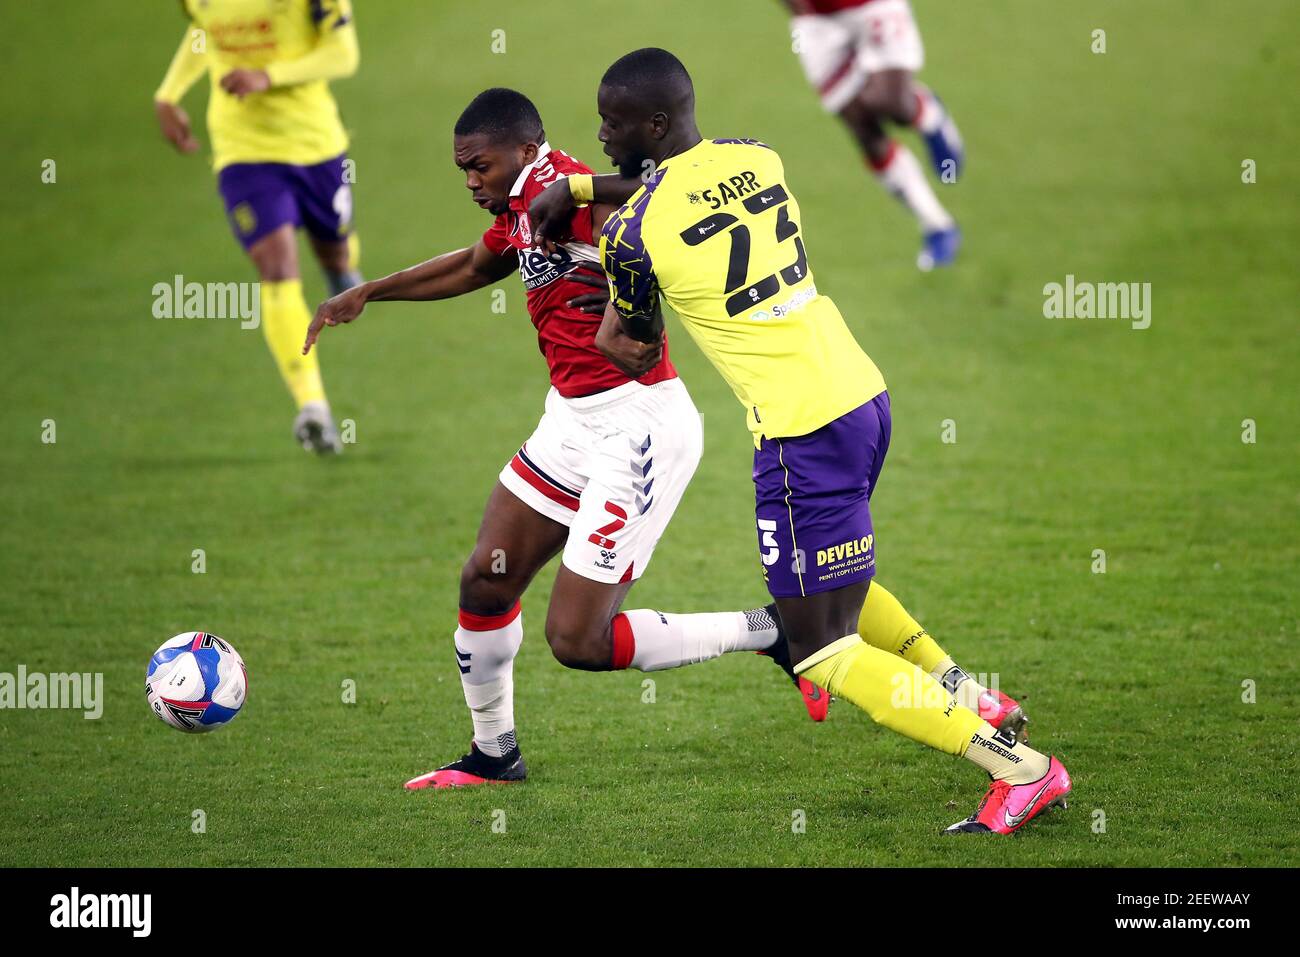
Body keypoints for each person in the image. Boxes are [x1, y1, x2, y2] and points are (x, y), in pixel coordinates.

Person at [528, 49, 1070, 833]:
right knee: (835, 582)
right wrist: (577, 187)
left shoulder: (635, 236)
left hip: (797, 434)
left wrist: (606, 314)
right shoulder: (757, 157)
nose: (601, 137)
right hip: (860, 395)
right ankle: (976, 696)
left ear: (651, 124)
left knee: (821, 649)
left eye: (611, 126)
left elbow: (634, 343)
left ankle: (1016, 766)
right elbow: (674, 192)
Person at [303, 88, 829, 790]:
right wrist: (369, 291)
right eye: (462, 171)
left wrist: (627, 318)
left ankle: (771, 632)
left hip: (638, 426)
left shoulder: (573, 194)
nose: (470, 182)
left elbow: (648, 224)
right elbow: (473, 265)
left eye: (478, 167)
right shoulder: (525, 204)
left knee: (578, 641)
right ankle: (494, 754)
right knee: (484, 582)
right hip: (572, 421)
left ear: (525, 150)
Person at [154, 0, 362, 453]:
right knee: (277, 267)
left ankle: (339, 267)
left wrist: (267, 76)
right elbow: (204, 34)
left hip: (315, 144)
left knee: (337, 257)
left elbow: (343, 54)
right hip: (242, 151)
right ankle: (313, 407)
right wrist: (168, 94)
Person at [781, 0, 964, 270]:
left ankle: (927, 113)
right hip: (817, 21)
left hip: (871, 6)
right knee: (863, 129)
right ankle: (937, 225)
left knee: (892, 103)